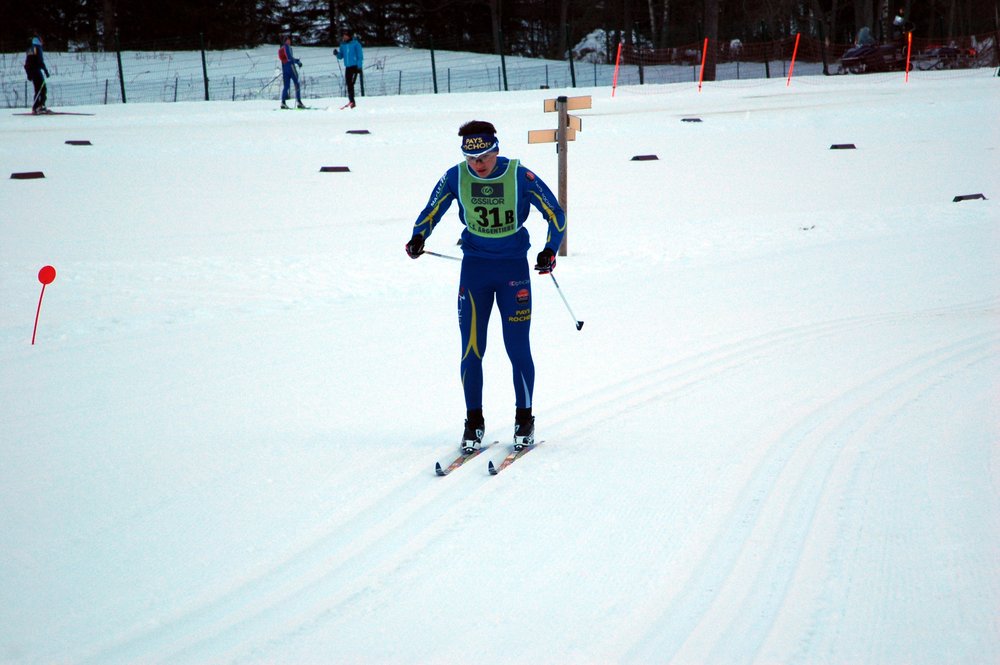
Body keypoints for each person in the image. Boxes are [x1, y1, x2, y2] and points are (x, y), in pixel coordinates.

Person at [405, 120, 567, 453]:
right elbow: (432, 209)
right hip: (475, 270)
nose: (478, 165)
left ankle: (525, 419)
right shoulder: (455, 176)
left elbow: (556, 213)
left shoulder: (520, 175)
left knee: (517, 347)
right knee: (471, 349)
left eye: (485, 157)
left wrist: (551, 250)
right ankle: (473, 422)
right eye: (471, 158)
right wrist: (418, 236)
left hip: (513, 271)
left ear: (496, 150)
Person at [335, 30, 363, 108]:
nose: (344, 37)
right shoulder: (343, 45)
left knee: (351, 84)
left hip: (355, 66)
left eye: (346, 35)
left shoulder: (356, 44)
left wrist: (359, 66)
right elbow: (341, 56)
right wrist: (337, 54)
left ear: (350, 36)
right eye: (343, 35)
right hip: (348, 67)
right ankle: (351, 101)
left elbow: (360, 56)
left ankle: (352, 101)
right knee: (349, 84)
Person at [24, 34, 50, 114]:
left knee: (38, 89)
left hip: (33, 71)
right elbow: (39, 61)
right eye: (41, 40)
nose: (42, 41)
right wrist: (45, 70)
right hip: (36, 71)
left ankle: (38, 106)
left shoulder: (31, 48)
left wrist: (28, 73)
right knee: (42, 88)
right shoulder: (37, 48)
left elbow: (27, 63)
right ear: (39, 40)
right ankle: (38, 106)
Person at [278, 36, 305, 109]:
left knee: (286, 86)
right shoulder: (287, 47)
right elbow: (289, 58)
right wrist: (297, 61)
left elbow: (284, 59)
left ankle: (283, 102)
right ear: (286, 41)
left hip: (285, 69)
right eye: (288, 40)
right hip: (291, 67)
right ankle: (299, 102)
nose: (289, 41)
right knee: (297, 83)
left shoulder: (281, 48)